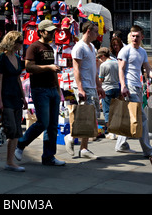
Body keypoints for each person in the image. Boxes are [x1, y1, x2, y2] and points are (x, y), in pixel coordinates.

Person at [15, 19, 66, 167]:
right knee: (43, 122)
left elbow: (54, 70)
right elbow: (29, 67)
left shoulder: (50, 48)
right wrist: (49, 68)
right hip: (40, 89)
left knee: (52, 125)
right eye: (50, 31)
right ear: (42, 32)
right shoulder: (33, 47)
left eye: (53, 31)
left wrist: (57, 87)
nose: (52, 34)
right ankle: (21, 144)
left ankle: (49, 156)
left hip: (52, 90)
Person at [64, 21, 105, 159]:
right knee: (86, 117)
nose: (97, 34)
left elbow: (93, 69)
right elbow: (76, 69)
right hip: (84, 87)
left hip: (92, 86)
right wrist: (80, 88)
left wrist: (99, 86)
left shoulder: (92, 47)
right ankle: (71, 137)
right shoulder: (79, 47)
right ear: (88, 31)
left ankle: (83, 148)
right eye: (95, 31)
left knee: (91, 118)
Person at [115, 25, 152, 157]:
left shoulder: (143, 52)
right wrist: (123, 86)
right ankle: (148, 150)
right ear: (130, 36)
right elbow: (120, 69)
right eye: (133, 36)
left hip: (138, 87)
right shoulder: (125, 50)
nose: (135, 38)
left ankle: (121, 144)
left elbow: (148, 70)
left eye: (137, 36)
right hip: (129, 87)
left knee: (128, 117)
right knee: (142, 119)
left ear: (142, 37)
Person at [0, 31, 27, 172]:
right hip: (5, 97)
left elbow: (18, 78)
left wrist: (23, 96)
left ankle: (9, 161)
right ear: (12, 42)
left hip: (16, 96)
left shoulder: (17, 58)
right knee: (10, 127)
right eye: (19, 41)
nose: (21, 44)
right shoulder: (2, 58)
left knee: (15, 130)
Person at [97, 47, 120, 139]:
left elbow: (101, 79)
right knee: (115, 111)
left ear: (103, 56)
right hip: (116, 87)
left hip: (107, 88)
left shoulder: (103, 65)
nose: (99, 59)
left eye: (100, 57)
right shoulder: (116, 63)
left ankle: (111, 132)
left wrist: (98, 86)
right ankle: (116, 131)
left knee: (107, 111)